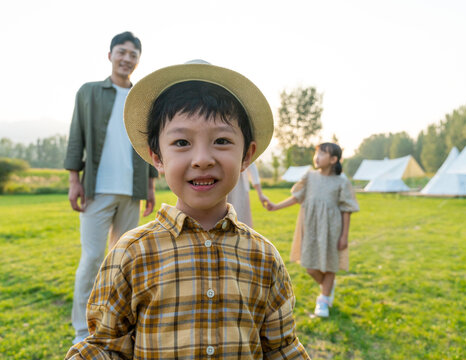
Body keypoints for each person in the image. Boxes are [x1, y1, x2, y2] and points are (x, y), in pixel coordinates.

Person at [65, 60, 310, 359]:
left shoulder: (264, 257)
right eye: (182, 142)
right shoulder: (130, 253)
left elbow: (282, 348)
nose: (202, 159)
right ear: (157, 157)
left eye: (221, 141)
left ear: (247, 155)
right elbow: (105, 346)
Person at [63, 31, 158, 344]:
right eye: (122, 52)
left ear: (138, 60)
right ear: (110, 55)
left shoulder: (142, 98)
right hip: (97, 190)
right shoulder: (89, 92)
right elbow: (76, 135)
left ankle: (116, 325)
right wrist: (74, 179)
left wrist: (150, 186)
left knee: (123, 263)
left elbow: (149, 144)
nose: (127, 58)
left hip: (131, 191)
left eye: (133, 54)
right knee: (91, 259)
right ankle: (81, 330)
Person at [265, 143, 359, 318]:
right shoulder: (310, 176)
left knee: (330, 264)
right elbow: (297, 197)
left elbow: (347, 209)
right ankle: (328, 286)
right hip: (310, 226)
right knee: (309, 265)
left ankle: (323, 301)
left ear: (333, 159)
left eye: (322, 153)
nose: (317, 156)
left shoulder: (342, 181)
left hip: (332, 228)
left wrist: (344, 236)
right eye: (317, 153)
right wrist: (275, 206)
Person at [227, 162, 269, 227]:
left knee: (241, 222)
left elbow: (252, 166)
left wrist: (260, 194)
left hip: (239, 188)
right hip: (234, 188)